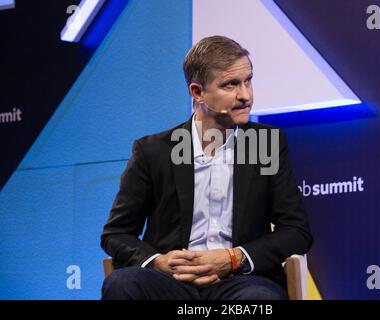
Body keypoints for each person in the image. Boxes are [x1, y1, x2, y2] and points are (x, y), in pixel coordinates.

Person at [100, 35, 313, 300]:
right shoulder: (153, 151)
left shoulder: (265, 144)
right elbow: (116, 233)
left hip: (242, 283)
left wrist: (234, 258)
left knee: (259, 299)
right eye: (231, 84)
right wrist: (157, 261)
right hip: (170, 283)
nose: (245, 95)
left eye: (248, 80)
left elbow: (296, 231)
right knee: (123, 285)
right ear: (197, 92)